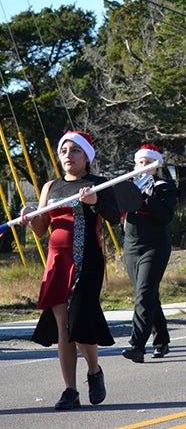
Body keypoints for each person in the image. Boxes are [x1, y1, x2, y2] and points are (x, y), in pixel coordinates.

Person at [20, 131, 120, 410]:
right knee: (64, 329)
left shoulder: (99, 184)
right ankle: (70, 390)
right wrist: (31, 216)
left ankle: (94, 370)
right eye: (64, 150)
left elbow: (114, 216)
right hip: (56, 262)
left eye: (75, 150)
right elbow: (41, 230)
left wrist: (94, 202)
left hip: (87, 260)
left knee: (78, 323)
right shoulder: (51, 186)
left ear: (87, 156)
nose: (68, 155)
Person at [121, 144, 177, 363]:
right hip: (132, 246)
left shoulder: (165, 187)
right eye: (139, 163)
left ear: (156, 166)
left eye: (147, 163)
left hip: (155, 247)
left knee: (143, 295)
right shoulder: (128, 186)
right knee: (148, 295)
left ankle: (137, 345)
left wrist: (145, 198)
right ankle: (161, 339)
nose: (143, 167)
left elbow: (165, 216)